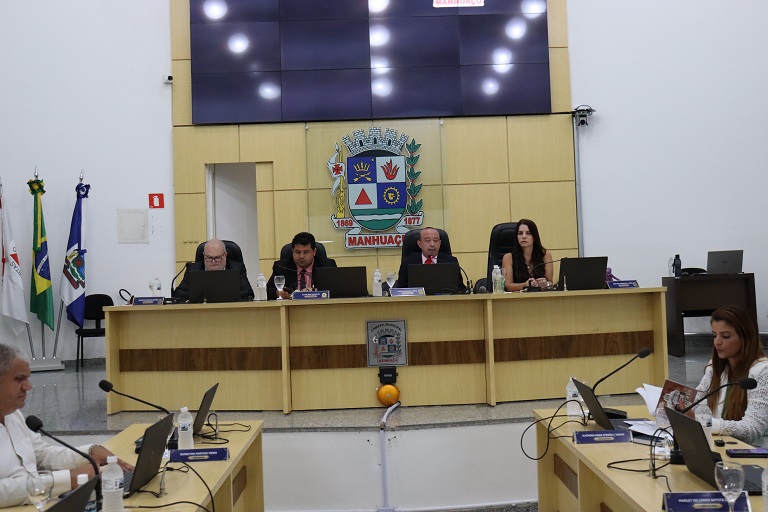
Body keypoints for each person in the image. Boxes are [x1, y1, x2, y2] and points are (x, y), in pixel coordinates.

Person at [0, 344, 132, 507]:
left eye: (27, 378)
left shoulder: (13, 415)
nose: (28, 386)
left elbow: (41, 455)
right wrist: (68, 479)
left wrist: (89, 453)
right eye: (19, 379)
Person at [694, 306, 768, 447]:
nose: (717, 342)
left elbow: (752, 429)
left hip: (755, 453)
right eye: (714, 335)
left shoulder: (763, 372)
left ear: (746, 338)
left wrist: (708, 423)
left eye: (726, 336)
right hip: (722, 447)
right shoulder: (715, 367)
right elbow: (696, 403)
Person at [173, 238, 254, 300]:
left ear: (225, 255)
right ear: (204, 255)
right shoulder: (193, 269)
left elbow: (249, 293)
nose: (213, 261)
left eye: (217, 258)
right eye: (209, 258)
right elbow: (178, 294)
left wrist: (217, 295)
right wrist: (202, 297)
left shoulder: (237, 268)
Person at [267, 232, 336, 299]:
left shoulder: (327, 265)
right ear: (292, 251)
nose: (301, 256)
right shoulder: (282, 267)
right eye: (298, 252)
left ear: (314, 252)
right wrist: (278, 293)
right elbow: (267, 290)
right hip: (291, 306)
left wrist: (315, 291)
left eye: (306, 252)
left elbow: (337, 289)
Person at [395, 227, 466, 292]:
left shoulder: (450, 262)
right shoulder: (408, 263)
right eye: (427, 240)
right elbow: (400, 290)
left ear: (440, 243)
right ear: (419, 244)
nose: (432, 244)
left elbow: (460, 289)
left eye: (435, 241)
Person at [501, 219, 553, 292]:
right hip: (517, 298)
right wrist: (525, 285)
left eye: (528, 233)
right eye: (520, 233)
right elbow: (508, 286)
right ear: (516, 237)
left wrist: (546, 284)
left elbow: (550, 283)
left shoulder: (545, 255)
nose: (524, 236)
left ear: (534, 236)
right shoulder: (508, 257)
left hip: (540, 296)